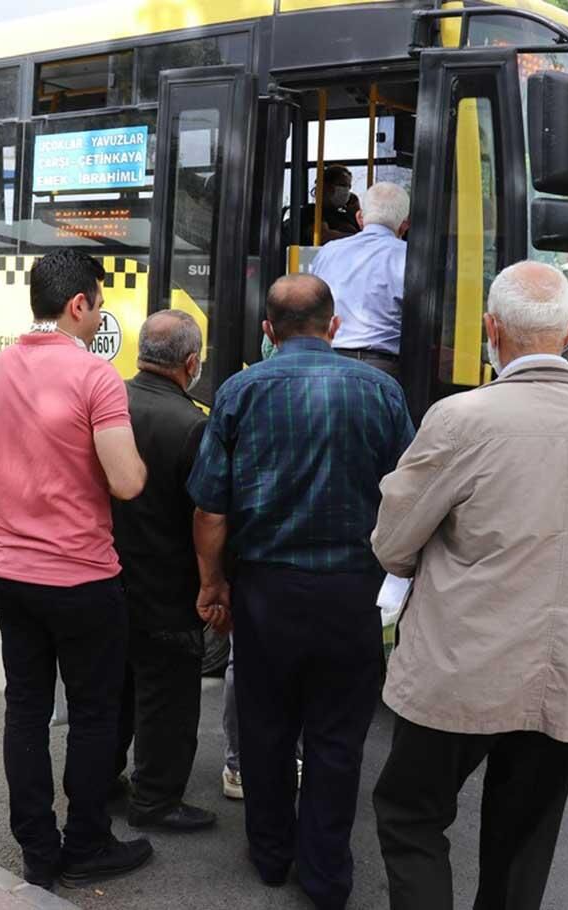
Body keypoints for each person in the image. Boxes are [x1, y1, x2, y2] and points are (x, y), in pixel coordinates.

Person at [371, 261, 568, 910]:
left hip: (463, 665)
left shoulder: (461, 418)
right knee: (522, 845)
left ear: (491, 330)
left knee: (410, 816)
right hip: (567, 669)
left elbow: (392, 542)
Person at [187, 274, 415, 910]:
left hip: (266, 591)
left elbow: (210, 509)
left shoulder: (239, 391)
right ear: (333, 326)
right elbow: (408, 492)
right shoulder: (381, 390)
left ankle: (269, 854)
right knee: (337, 738)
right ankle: (326, 874)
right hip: (353, 592)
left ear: (268, 330)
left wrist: (212, 584)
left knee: (265, 728)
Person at [0, 249, 153, 891]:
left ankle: (38, 852)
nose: (100, 318)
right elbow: (127, 482)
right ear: (78, 304)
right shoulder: (97, 377)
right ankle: (87, 842)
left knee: (25, 712)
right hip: (84, 580)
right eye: (99, 306)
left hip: (12, 580)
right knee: (93, 714)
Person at [110, 310, 217, 833]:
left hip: (105, 576)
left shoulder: (109, 404)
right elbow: (206, 515)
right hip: (167, 586)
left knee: (113, 689)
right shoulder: (193, 425)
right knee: (167, 699)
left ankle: (101, 779)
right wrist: (214, 584)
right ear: (191, 363)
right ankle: (155, 799)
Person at [308, 182, 410, 378]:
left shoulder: (328, 252)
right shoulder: (409, 256)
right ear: (405, 224)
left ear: (360, 218)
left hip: (329, 364)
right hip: (384, 368)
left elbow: (314, 304)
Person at [294, 165, 361, 245]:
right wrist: (358, 238)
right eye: (343, 185)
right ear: (327, 187)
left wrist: (357, 212)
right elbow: (322, 236)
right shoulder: (312, 211)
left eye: (349, 187)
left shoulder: (346, 215)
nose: (347, 190)